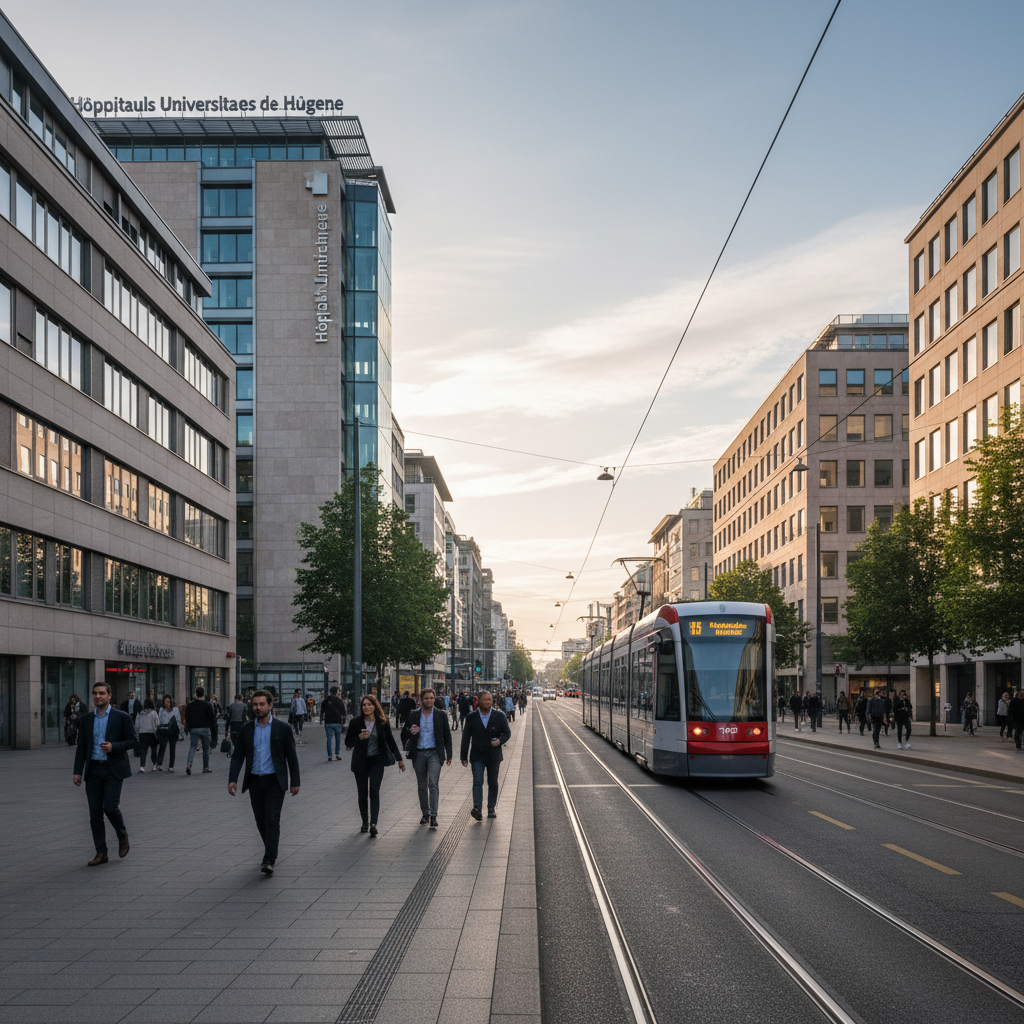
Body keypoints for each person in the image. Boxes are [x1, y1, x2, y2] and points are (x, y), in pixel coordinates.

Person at [228, 690, 300, 875]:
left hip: (275, 781)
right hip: (255, 781)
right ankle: (271, 848)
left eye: (261, 704)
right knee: (260, 820)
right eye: (254, 705)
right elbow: (238, 756)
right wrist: (232, 780)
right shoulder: (246, 729)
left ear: (270, 705)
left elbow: (291, 757)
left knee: (271, 819)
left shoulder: (282, 728)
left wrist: (295, 781)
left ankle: (269, 858)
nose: (257, 708)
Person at [72, 681, 138, 865]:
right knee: (95, 814)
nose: (97, 696)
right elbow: (81, 747)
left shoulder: (121, 717)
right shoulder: (86, 719)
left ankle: (122, 834)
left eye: (101, 693)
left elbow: (133, 740)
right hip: (93, 770)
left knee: (110, 807)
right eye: (95, 693)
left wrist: (114, 746)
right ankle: (101, 853)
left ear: (109, 695)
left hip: (113, 769)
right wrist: (78, 771)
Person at [345, 694, 406, 836]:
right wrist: (359, 738)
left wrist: (399, 759)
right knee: (362, 793)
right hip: (360, 761)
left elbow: (390, 741)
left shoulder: (382, 722)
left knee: (374, 791)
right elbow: (348, 742)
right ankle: (364, 822)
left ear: (375, 706)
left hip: (376, 761)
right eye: (364, 705)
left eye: (369, 704)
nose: (366, 707)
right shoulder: (355, 722)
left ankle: (373, 823)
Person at [401, 688, 453, 828]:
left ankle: (434, 815)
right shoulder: (413, 714)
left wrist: (449, 754)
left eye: (431, 698)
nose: (429, 700)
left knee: (433, 783)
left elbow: (447, 735)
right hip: (418, 753)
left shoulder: (441, 715)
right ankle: (425, 813)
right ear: (421, 699)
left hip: (434, 753)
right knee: (422, 785)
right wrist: (410, 731)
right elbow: (403, 733)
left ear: (434, 699)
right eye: (426, 698)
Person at [460, 690, 511, 821]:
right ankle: (477, 808)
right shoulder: (471, 717)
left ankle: (491, 808)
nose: (487, 702)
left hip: (493, 755)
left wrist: (500, 741)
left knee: (492, 782)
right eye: (484, 700)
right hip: (477, 755)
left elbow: (507, 732)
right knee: (477, 781)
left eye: (489, 699)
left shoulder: (499, 715)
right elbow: (466, 737)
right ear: (479, 701)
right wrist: (463, 756)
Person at [184, 686, 218, 775]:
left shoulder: (190, 705)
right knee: (206, 749)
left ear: (196, 694)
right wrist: (214, 732)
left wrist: (189, 728)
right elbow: (212, 719)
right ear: (203, 694)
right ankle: (206, 767)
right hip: (205, 729)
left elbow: (187, 717)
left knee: (193, 747)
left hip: (194, 729)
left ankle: (189, 765)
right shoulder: (207, 705)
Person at [155, 695, 182, 772]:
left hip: (173, 731)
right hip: (164, 730)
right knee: (162, 747)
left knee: (172, 749)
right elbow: (159, 720)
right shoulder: (161, 710)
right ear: (163, 702)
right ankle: (159, 764)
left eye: (169, 701)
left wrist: (179, 731)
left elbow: (178, 720)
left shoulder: (175, 709)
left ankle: (171, 766)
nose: (168, 703)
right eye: (166, 701)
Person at [321, 686, 348, 761]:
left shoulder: (325, 700)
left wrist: (321, 720)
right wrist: (344, 720)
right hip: (337, 722)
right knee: (337, 738)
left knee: (329, 738)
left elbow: (322, 711)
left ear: (330, 692)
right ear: (336, 692)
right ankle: (337, 754)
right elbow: (344, 712)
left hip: (328, 722)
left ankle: (330, 755)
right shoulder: (339, 700)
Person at [135, 699, 160, 771]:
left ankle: (142, 766)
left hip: (142, 733)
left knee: (143, 750)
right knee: (154, 749)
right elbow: (157, 723)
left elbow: (136, 725)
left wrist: (137, 734)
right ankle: (154, 764)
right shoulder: (154, 713)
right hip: (152, 733)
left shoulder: (140, 713)